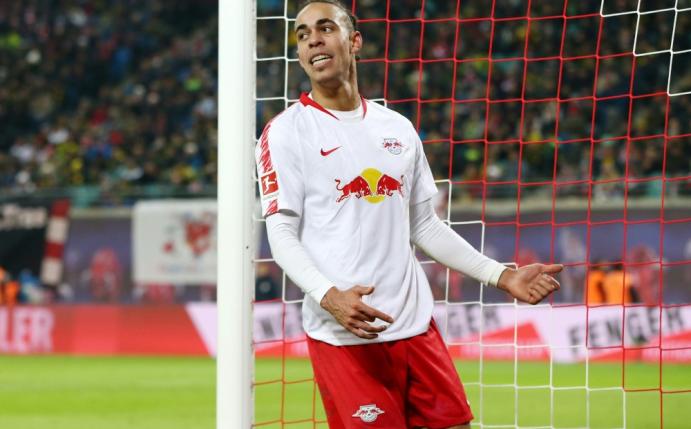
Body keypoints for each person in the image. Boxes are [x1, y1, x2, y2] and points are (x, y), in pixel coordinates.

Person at [255, 1, 563, 427]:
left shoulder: (396, 127)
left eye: (325, 28)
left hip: (415, 327)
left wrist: (502, 275)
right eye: (303, 34)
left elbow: (424, 225)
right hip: (346, 336)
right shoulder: (286, 132)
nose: (313, 40)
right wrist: (329, 296)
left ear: (354, 41)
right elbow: (280, 234)